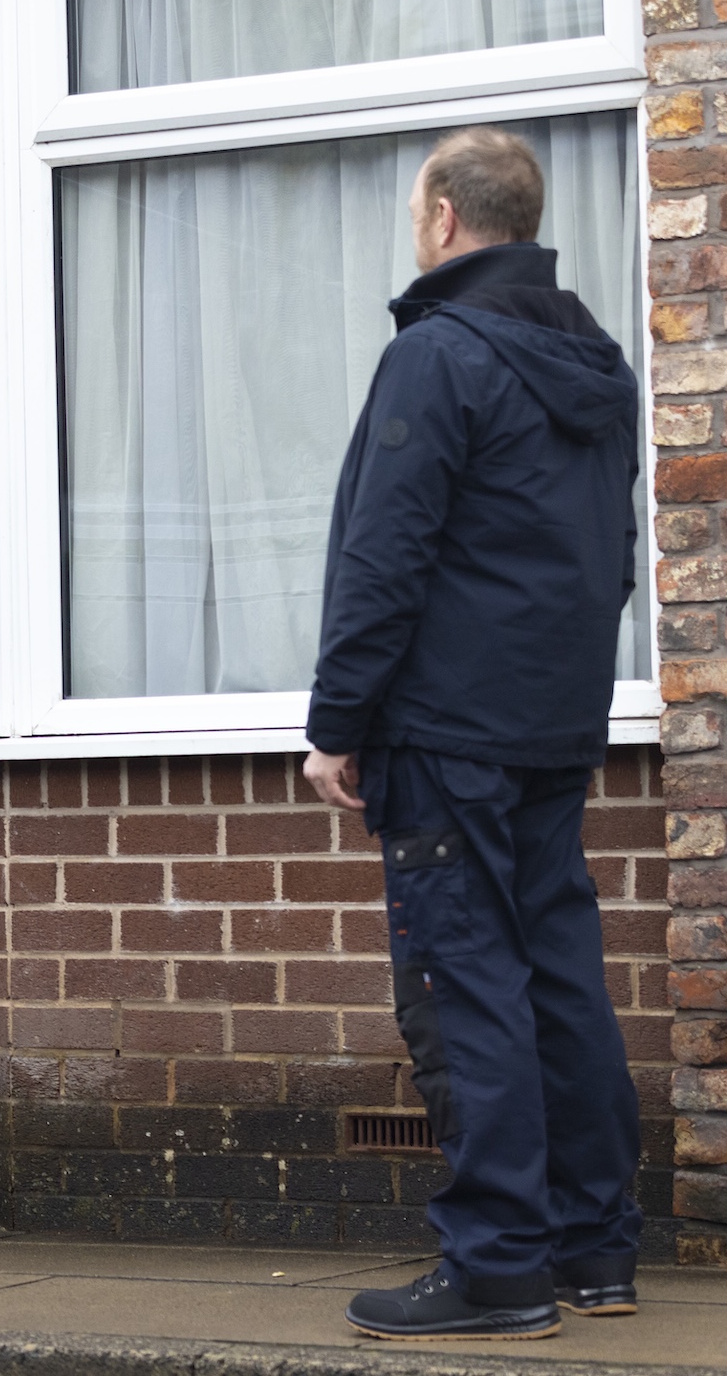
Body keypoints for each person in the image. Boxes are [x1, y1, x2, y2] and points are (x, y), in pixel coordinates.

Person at [302, 126, 641, 1340]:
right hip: (555, 723)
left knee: (469, 981)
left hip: (447, 730)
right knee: (559, 976)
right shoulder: (597, 361)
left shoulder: (437, 355)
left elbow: (382, 555)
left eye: (414, 212)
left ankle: (498, 1261)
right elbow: (615, 560)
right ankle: (595, 1249)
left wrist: (337, 721)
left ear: (444, 217)